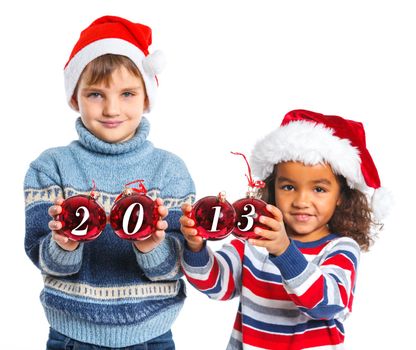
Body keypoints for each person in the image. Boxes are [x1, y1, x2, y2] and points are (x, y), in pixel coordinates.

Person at [24, 16, 195, 349]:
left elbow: (179, 263)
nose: (112, 108)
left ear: (147, 98)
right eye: (95, 94)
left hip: (153, 335)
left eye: (127, 93)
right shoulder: (51, 167)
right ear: (75, 98)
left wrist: (150, 245)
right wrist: (64, 244)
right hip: (72, 335)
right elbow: (39, 254)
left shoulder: (170, 171)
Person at [180, 109, 391, 349]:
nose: (301, 201)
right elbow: (217, 285)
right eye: (289, 187)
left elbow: (325, 305)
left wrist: (284, 250)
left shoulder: (341, 248)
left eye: (319, 189)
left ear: (341, 196)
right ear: (272, 189)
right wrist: (196, 246)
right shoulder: (253, 240)